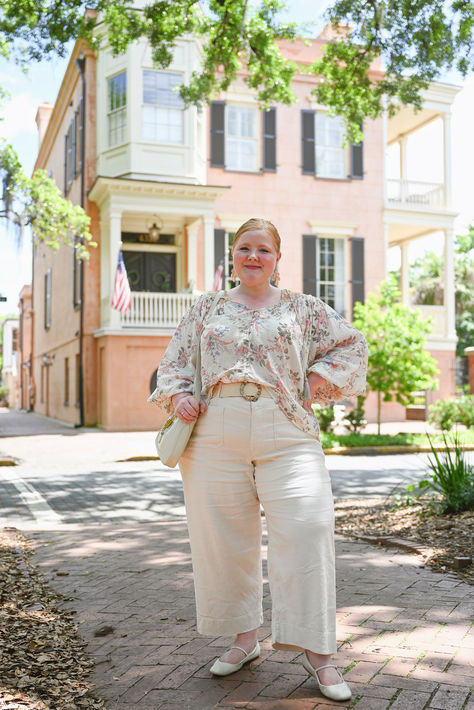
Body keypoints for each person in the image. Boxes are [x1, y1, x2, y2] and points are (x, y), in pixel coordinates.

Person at [148, 218, 368, 701]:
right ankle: (244, 640)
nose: (253, 256)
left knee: (309, 528)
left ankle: (320, 654)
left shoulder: (304, 308)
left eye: (262, 249)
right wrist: (180, 396)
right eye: (244, 248)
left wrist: (314, 383)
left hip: (286, 429)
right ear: (233, 256)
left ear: (277, 257)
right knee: (223, 542)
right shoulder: (206, 308)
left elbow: (352, 345)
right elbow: (173, 364)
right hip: (213, 432)